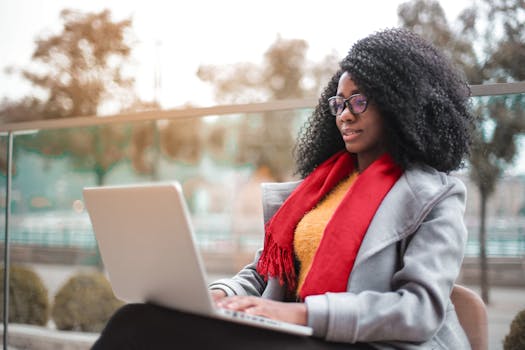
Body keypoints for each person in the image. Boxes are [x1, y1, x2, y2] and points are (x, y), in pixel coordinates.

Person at [92, 28, 474, 350]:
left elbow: (418, 310)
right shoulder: (319, 188)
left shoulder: (436, 195)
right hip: (297, 333)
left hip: (366, 343)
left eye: (360, 101)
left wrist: (300, 312)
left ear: (397, 105)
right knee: (137, 320)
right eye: (338, 103)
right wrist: (222, 295)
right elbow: (263, 273)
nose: (345, 114)